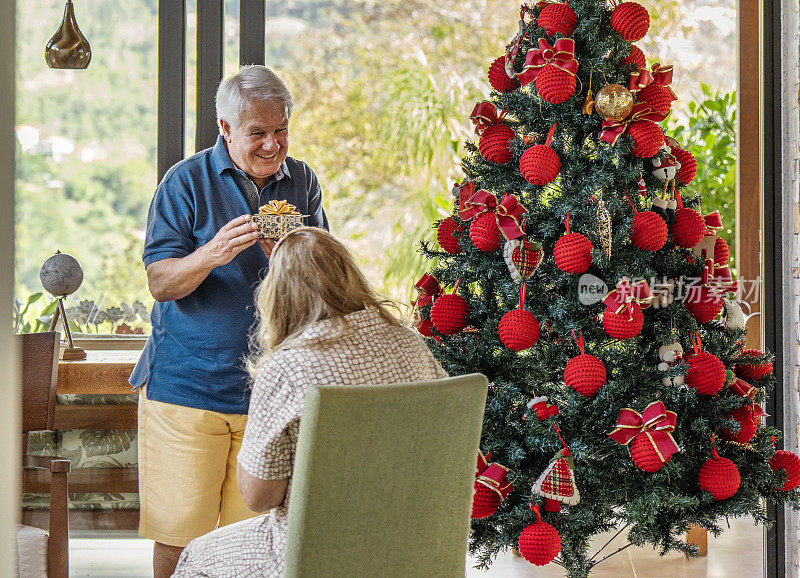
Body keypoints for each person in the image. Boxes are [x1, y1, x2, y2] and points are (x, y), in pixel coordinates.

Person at [129, 65, 329, 578]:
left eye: (280, 130)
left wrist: (288, 256)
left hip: (271, 395)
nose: (272, 144)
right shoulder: (184, 182)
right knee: (181, 540)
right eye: (257, 132)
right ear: (225, 127)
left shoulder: (303, 182)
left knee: (261, 548)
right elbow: (161, 282)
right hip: (185, 390)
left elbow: (324, 281)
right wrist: (211, 254)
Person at [171, 227, 448, 577]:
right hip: (414, 541)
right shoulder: (410, 344)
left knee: (198, 554)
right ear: (350, 275)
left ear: (279, 293)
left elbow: (260, 497)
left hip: (316, 553)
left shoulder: (287, 366)